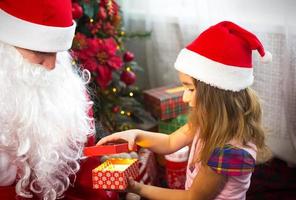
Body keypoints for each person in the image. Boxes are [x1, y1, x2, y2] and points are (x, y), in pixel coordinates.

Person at [97, 21, 272, 200]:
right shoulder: (207, 121)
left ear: (216, 96)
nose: (184, 98)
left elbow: (193, 197)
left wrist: (137, 188)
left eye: (190, 89)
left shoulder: (229, 152)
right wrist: (137, 135)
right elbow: (170, 142)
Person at [0, 0, 118, 199]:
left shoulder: (68, 94)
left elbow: (85, 173)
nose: (52, 66)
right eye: (40, 53)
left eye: (58, 52)